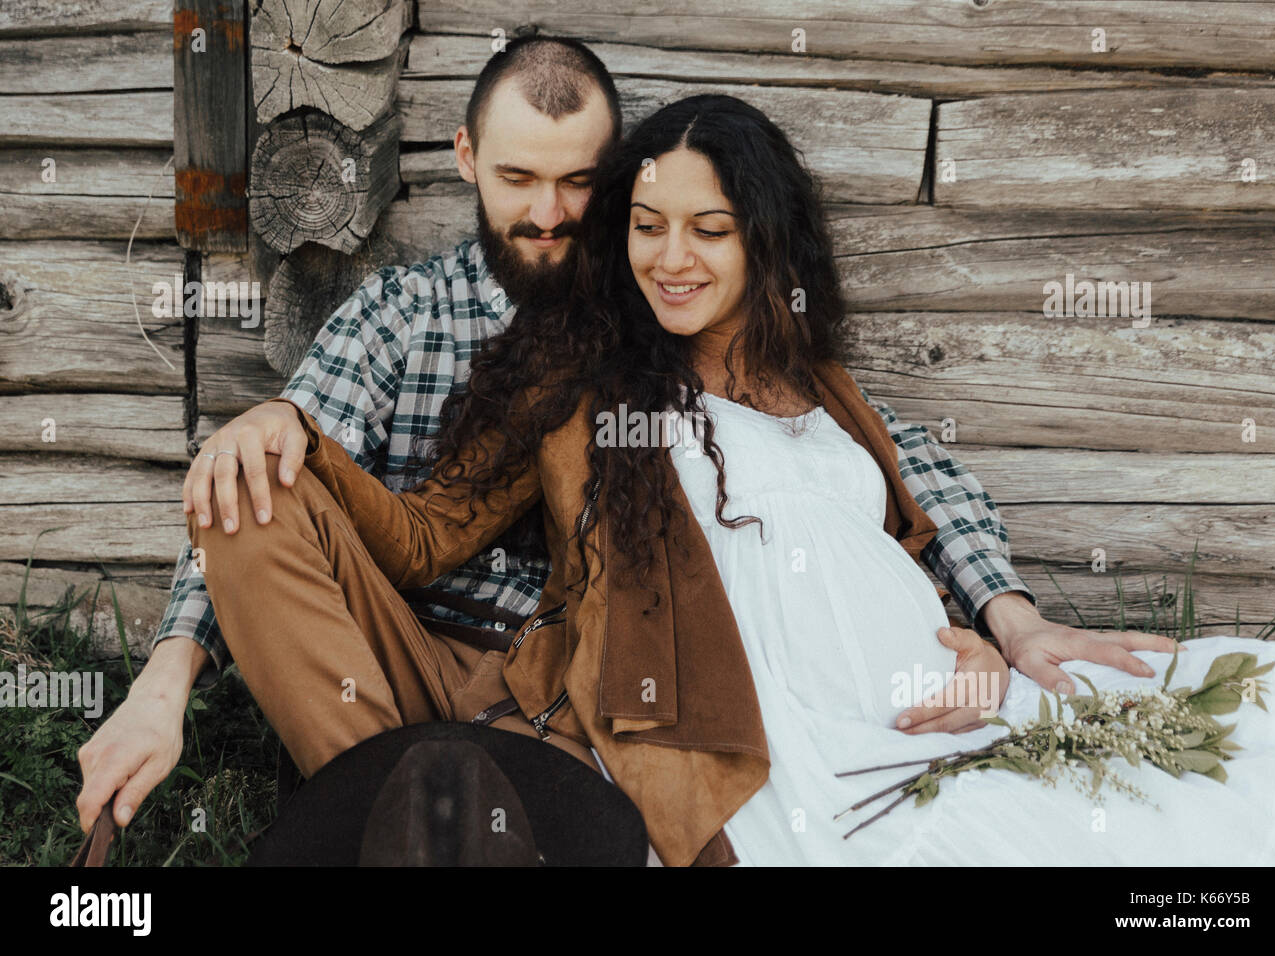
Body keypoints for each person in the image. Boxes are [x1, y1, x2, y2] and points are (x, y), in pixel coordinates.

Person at [75, 36, 1183, 853]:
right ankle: (415, 811)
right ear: (466, 158)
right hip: (464, 673)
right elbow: (415, 533)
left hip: (669, 700)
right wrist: (288, 431)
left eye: (585, 188)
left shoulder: (801, 380)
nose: (557, 215)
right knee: (253, 479)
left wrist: (1000, 619)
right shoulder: (491, 341)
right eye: (521, 179)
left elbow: (908, 488)